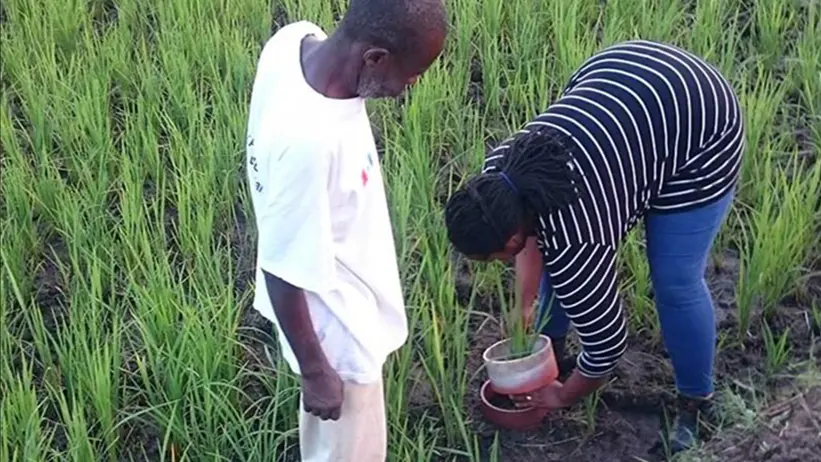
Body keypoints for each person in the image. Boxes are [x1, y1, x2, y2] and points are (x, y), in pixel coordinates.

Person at [444, 40, 745, 454]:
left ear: (510, 237)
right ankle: (554, 350)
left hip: (701, 124)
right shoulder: (497, 180)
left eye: (492, 257)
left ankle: (696, 401)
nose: (492, 264)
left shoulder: (575, 235)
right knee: (561, 265)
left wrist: (563, 395)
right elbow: (531, 240)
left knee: (675, 282)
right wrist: (524, 303)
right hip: (623, 85)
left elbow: (607, 345)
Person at [244, 0, 447, 460]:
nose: (413, 84)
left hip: (349, 311)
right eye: (413, 73)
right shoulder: (310, 146)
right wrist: (318, 371)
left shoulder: (293, 40)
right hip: (339, 334)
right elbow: (280, 267)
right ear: (373, 58)